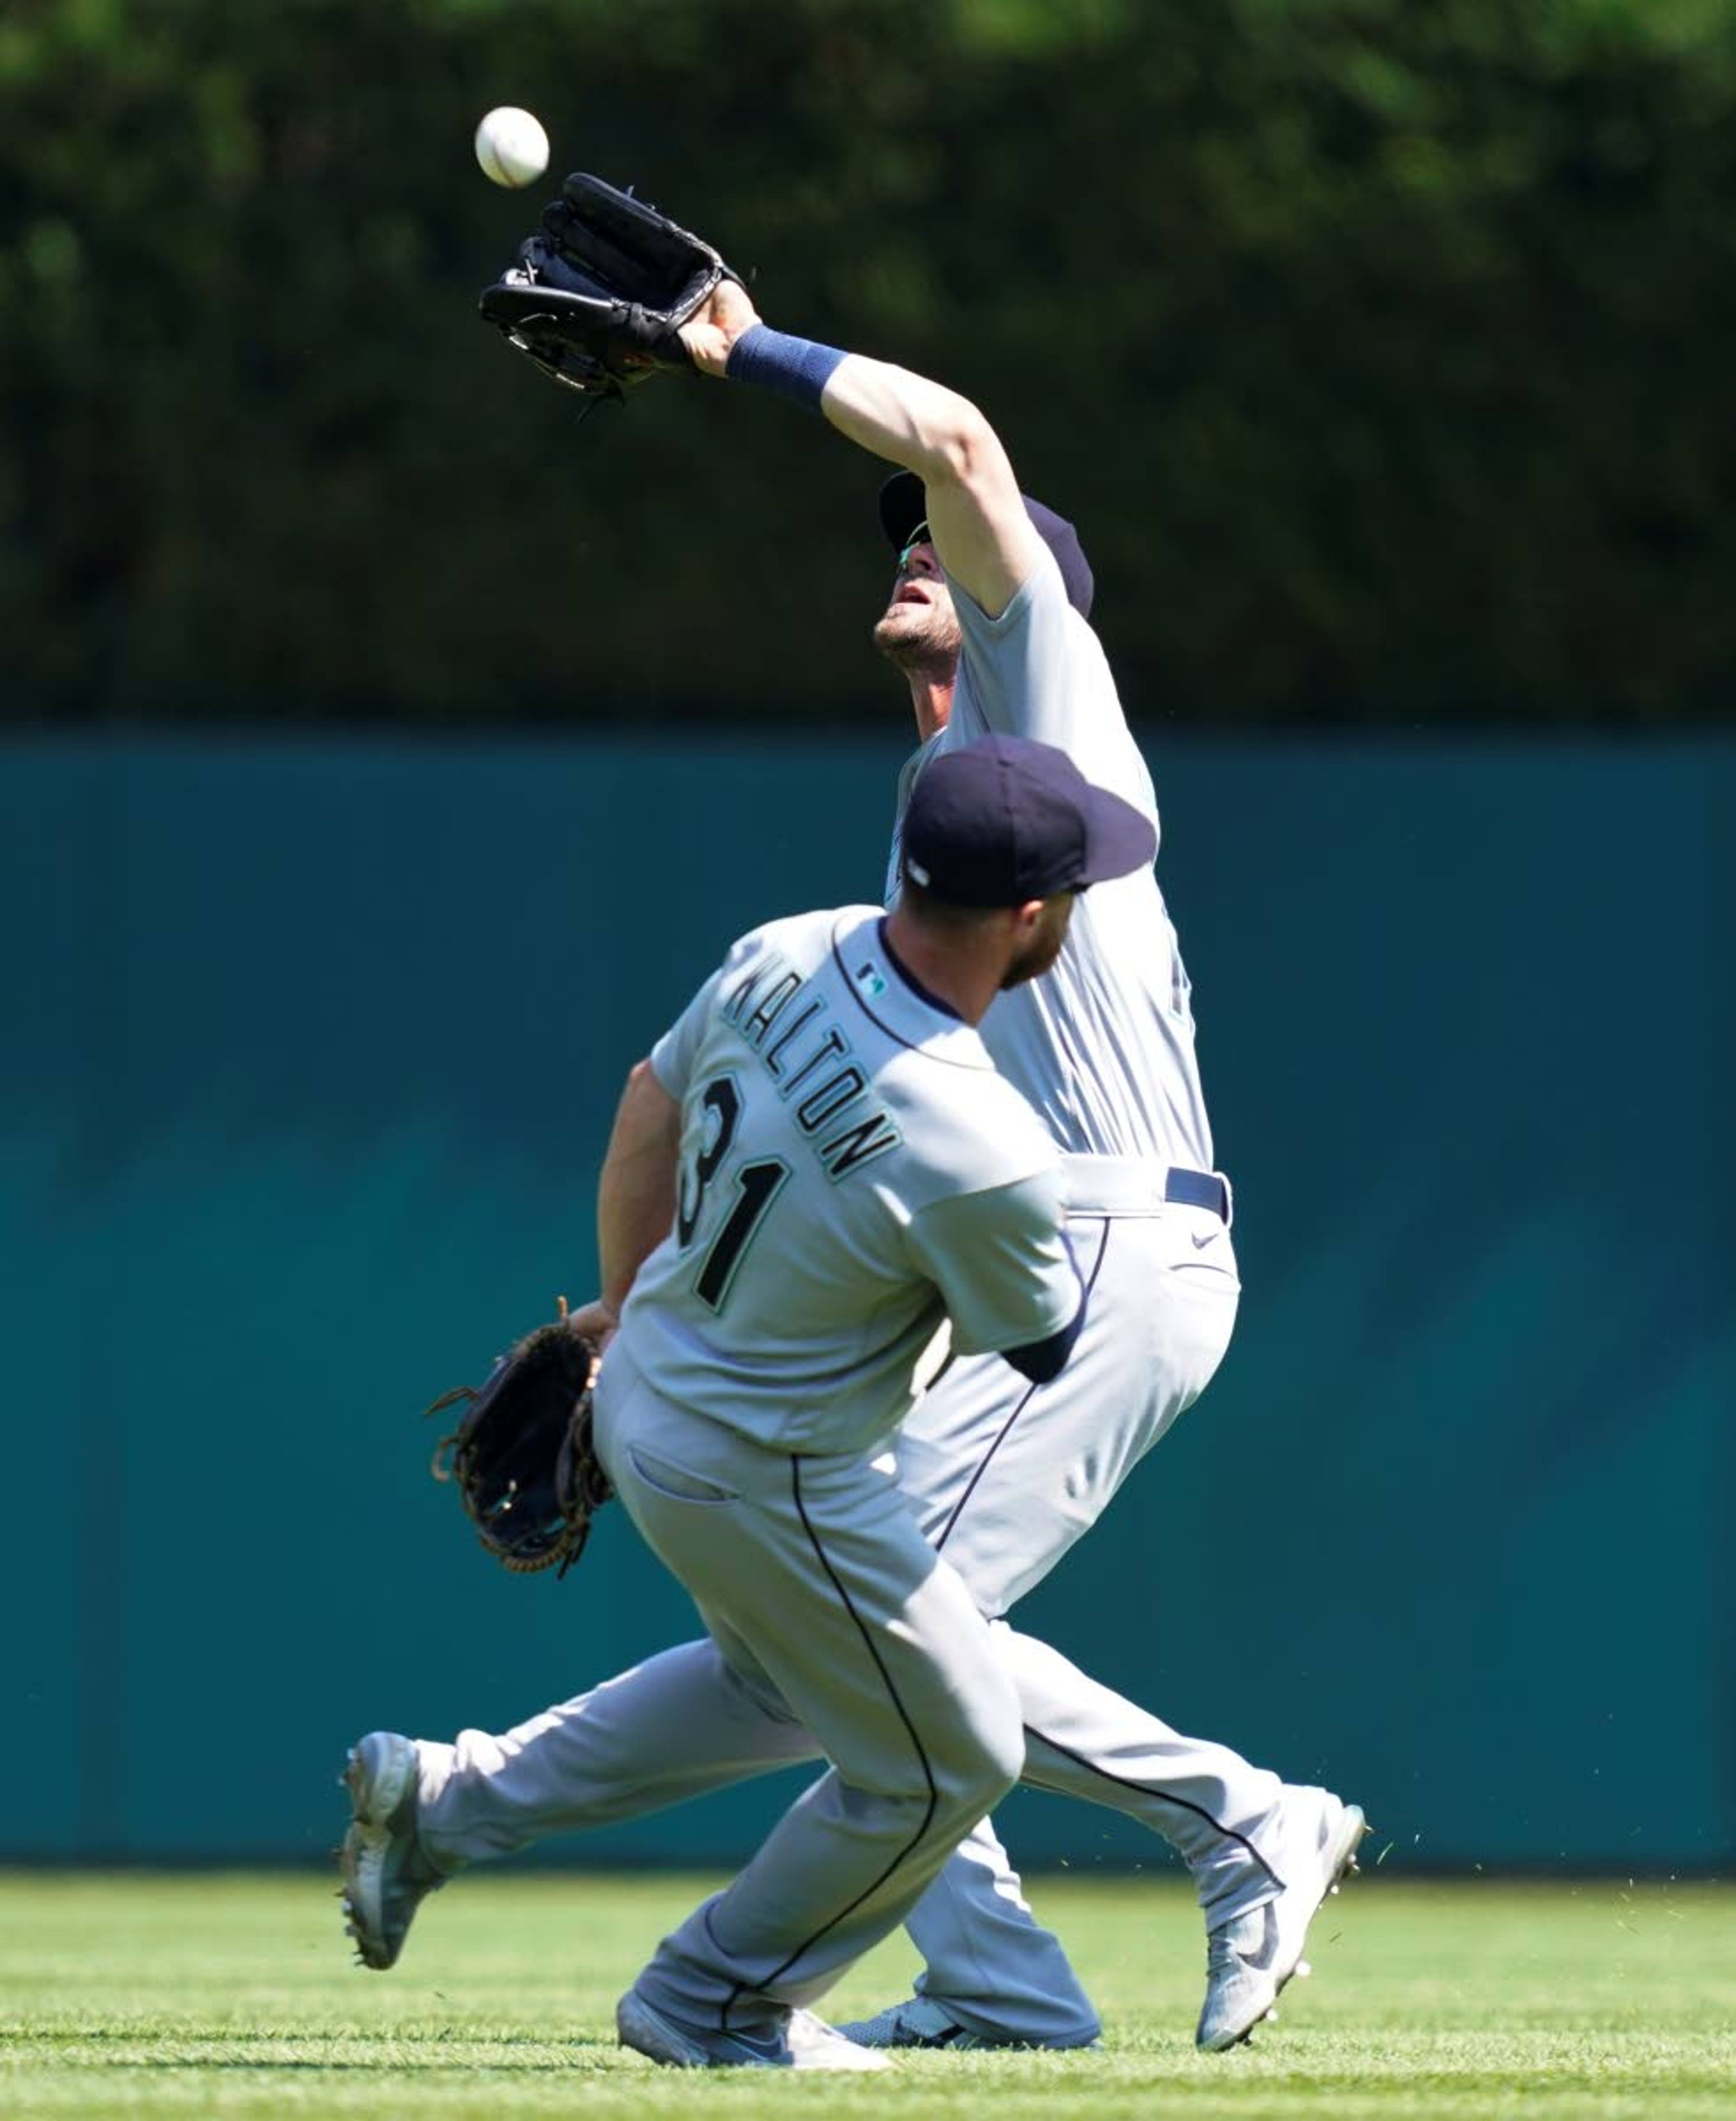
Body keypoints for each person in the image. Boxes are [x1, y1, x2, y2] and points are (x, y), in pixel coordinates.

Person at [341, 735, 1160, 2070]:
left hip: (652, 1392)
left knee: (771, 1684)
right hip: (769, 1468)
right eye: (1074, 889)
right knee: (953, 1759)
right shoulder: (981, 1138)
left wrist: (619, 1307)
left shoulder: (794, 945)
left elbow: (644, 1107)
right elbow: (1043, 1345)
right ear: (1029, 916)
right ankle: (713, 1995)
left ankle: (443, 1802)